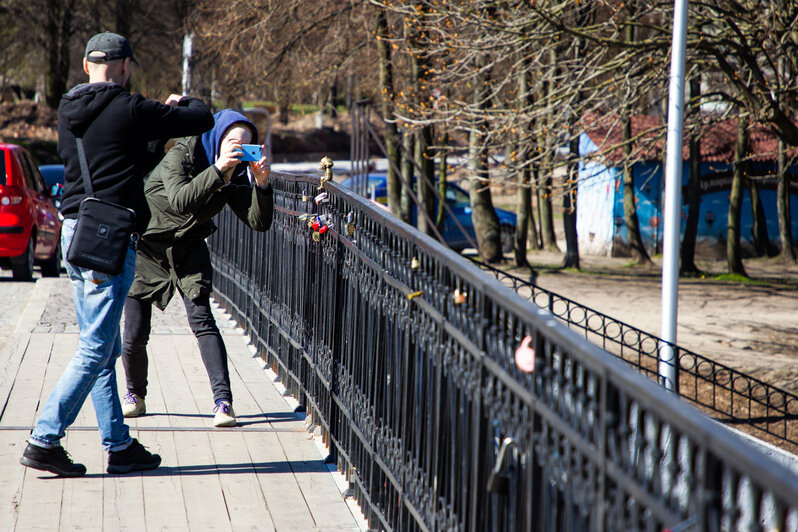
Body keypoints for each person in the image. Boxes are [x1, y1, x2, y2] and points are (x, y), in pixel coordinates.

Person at [19, 32, 214, 477]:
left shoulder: (68, 111)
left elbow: (122, 159)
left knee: (104, 348)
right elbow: (200, 118)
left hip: (77, 232)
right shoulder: (130, 107)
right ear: (124, 66)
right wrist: (181, 102)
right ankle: (44, 437)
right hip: (109, 237)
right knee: (93, 349)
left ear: (87, 66)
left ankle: (119, 445)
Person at [120, 109, 273, 427]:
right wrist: (218, 169)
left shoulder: (235, 176)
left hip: (189, 247)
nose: (237, 149)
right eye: (232, 141)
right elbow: (179, 200)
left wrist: (261, 184)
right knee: (135, 332)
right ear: (217, 138)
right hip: (147, 247)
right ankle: (135, 395)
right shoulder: (183, 154)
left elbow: (259, 222)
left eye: (245, 145)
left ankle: (223, 403)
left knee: (203, 320)